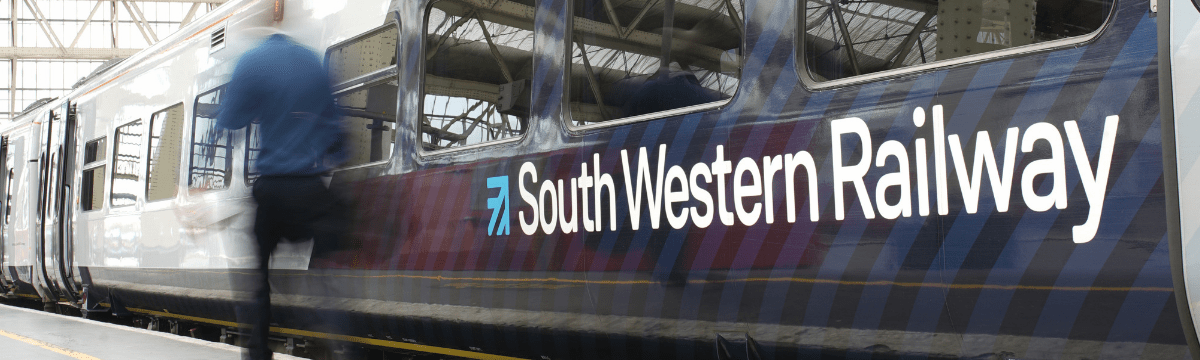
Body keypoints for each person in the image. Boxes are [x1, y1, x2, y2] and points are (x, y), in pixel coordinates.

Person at [217, 31, 350, 360]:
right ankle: (334, 343)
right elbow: (336, 136)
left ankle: (258, 351)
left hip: (273, 188)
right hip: (310, 189)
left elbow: (230, 120)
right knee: (324, 265)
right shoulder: (312, 60)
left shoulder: (251, 61)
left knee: (259, 276)